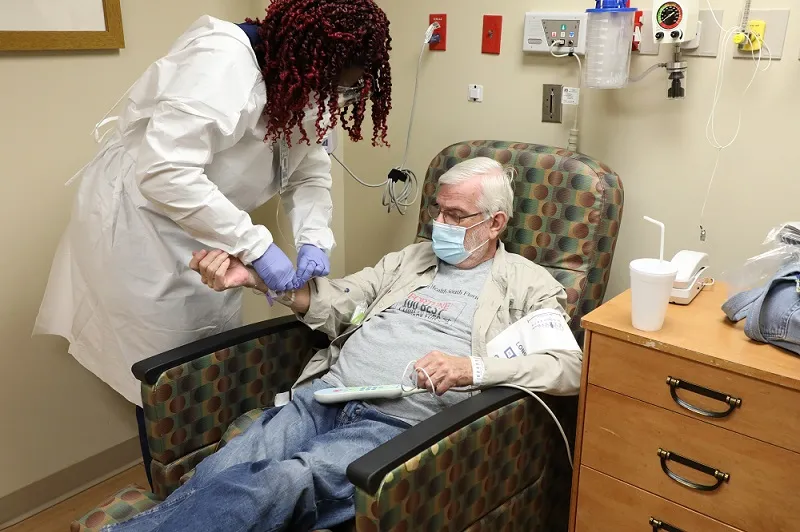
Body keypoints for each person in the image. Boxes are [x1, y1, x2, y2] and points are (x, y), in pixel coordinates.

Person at [106, 158, 583, 532]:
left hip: (395, 425)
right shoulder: (409, 260)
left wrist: (471, 368)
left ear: (495, 223)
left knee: (283, 481)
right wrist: (252, 278)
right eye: (438, 209)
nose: (439, 222)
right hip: (325, 396)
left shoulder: (527, 283)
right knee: (223, 468)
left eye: (455, 215)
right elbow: (337, 302)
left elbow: (568, 368)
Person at [33, 0, 393, 407]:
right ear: (309, 59)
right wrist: (256, 246)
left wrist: (314, 236)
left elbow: (308, 170)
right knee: (161, 374)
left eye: (348, 88)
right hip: (144, 226)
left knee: (209, 360)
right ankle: (170, 464)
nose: (336, 97)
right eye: (335, 85)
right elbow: (165, 172)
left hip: (210, 228)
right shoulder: (222, 64)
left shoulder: (305, 82)